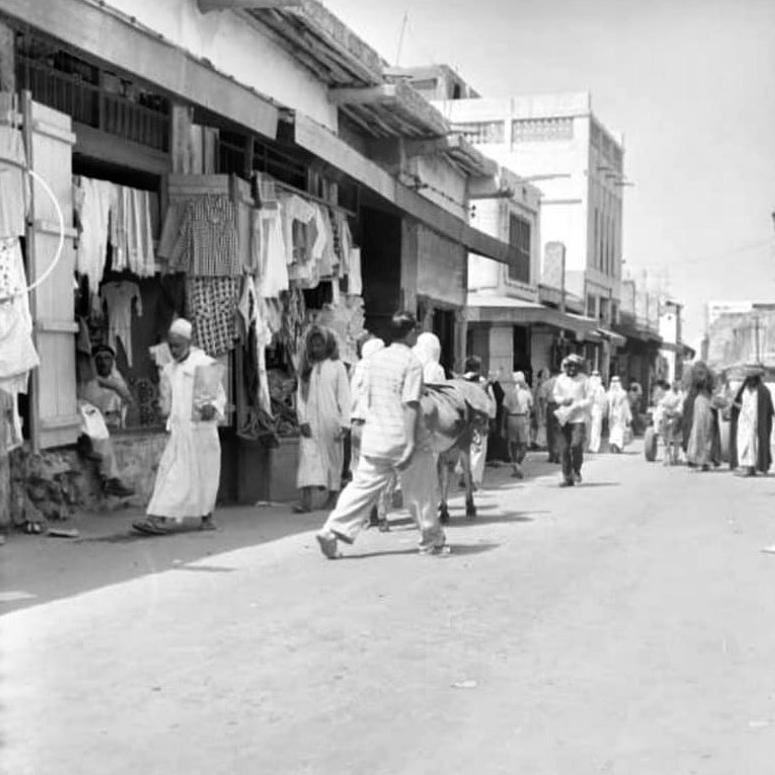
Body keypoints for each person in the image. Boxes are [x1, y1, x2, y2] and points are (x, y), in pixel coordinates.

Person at [316, 311, 446, 559]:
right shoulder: (412, 362)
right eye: (416, 330)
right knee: (422, 492)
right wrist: (410, 443)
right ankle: (432, 540)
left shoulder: (376, 360)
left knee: (361, 488)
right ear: (410, 333)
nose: (417, 335)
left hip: (375, 436)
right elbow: (410, 404)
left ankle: (331, 530)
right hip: (403, 437)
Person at [133, 318, 226, 535]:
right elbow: (167, 401)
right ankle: (157, 517)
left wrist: (213, 407)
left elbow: (219, 396)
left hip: (201, 433)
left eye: (177, 346)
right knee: (171, 474)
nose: (173, 351)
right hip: (179, 432)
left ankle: (206, 516)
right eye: (171, 346)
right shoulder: (169, 370)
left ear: (188, 343)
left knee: (206, 475)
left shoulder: (205, 363)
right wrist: (163, 410)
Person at [295, 326, 351, 513]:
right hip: (310, 422)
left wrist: (345, 423)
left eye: (320, 345)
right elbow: (300, 397)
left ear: (328, 345)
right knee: (307, 458)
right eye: (313, 345)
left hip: (331, 420)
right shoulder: (306, 367)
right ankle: (306, 502)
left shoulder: (337, 367)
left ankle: (333, 497)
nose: (316, 348)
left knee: (333, 460)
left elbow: (344, 396)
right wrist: (302, 420)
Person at [77, 344, 134, 497]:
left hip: (103, 424)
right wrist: (115, 386)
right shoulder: (86, 379)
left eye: (107, 358)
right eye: (99, 359)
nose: (103, 362)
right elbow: (96, 381)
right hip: (83, 421)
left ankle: (111, 480)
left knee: (101, 434)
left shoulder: (117, 379)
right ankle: (112, 479)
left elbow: (123, 408)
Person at [350, 336, 391, 531]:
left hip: (358, 424)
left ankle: (366, 515)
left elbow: (351, 399)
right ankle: (381, 515)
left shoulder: (357, 369)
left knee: (360, 471)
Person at [552, 354, 591, 486]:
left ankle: (576, 470)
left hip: (578, 418)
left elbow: (590, 398)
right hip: (564, 417)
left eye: (574, 366)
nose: (572, 369)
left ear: (579, 367)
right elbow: (556, 395)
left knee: (576, 445)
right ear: (566, 367)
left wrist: (578, 405)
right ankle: (567, 477)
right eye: (569, 366)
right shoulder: (560, 379)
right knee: (564, 449)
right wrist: (563, 401)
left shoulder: (584, 380)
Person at [729, 368, 774, 476]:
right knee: (742, 443)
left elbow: (768, 410)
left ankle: (750, 468)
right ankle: (746, 467)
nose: (750, 382)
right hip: (743, 422)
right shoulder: (743, 390)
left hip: (755, 424)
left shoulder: (763, 391)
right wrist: (733, 404)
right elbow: (741, 406)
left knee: (751, 445)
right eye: (749, 379)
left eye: (752, 379)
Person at [463, 355, 497, 488]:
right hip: (479, 421)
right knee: (478, 449)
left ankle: (463, 475)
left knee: (464, 448)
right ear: (479, 367)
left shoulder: (460, 381)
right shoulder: (483, 382)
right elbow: (490, 402)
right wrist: (491, 417)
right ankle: (473, 479)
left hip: (463, 420)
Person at [683, 362, 717, 471]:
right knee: (702, 434)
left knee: (700, 434)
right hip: (703, 406)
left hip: (702, 407)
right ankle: (700, 460)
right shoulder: (701, 389)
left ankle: (698, 460)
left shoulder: (695, 391)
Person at [501, 371, 533, 478]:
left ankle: (515, 464)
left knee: (513, 444)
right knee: (524, 444)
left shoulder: (509, 393)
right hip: (523, 418)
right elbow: (531, 406)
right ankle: (518, 463)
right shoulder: (527, 393)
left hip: (511, 418)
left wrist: (503, 426)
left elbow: (505, 410)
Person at [658, 380, 684, 466]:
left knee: (677, 438)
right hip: (667, 416)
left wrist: (675, 412)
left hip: (677, 417)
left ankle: (675, 456)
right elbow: (662, 404)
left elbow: (681, 407)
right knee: (666, 439)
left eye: (677, 384)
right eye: (674, 384)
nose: (675, 386)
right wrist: (667, 410)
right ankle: (667, 457)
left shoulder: (680, 394)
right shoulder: (668, 394)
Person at [606, 376, 632, 454]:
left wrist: (628, 416)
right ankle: (615, 445)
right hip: (612, 416)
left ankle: (616, 446)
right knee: (614, 430)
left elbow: (625, 406)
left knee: (618, 430)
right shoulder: (609, 394)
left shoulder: (622, 394)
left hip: (620, 416)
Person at [542, 367, 561, 463]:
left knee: (550, 432)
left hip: (551, 407)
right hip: (561, 407)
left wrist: (542, 413)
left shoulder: (546, 384)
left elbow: (542, 398)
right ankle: (559, 455)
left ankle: (552, 455)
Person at [587, 370, 607, 453]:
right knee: (593, 429)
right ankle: (592, 446)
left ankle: (593, 447)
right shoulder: (597, 388)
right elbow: (604, 402)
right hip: (593, 409)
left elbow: (603, 401)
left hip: (594, 409)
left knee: (594, 429)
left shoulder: (599, 388)